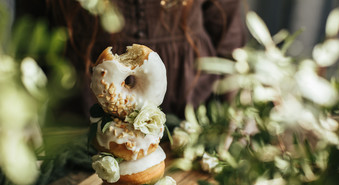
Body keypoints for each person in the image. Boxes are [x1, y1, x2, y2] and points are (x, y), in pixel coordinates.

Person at [49, 0, 247, 118]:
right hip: (83, 121)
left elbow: (228, 35)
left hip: (192, 113)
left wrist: (238, 109)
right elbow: (33, 33)